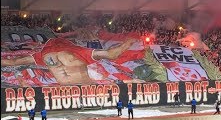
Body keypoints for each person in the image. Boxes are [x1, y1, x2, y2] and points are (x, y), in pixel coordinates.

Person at [1, 38, 136, 85]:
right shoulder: (78, 51)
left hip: (65, 90)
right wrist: (128, 42)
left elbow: (13, 62)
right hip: (85, 87)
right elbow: (111, 54)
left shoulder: (42, 55)